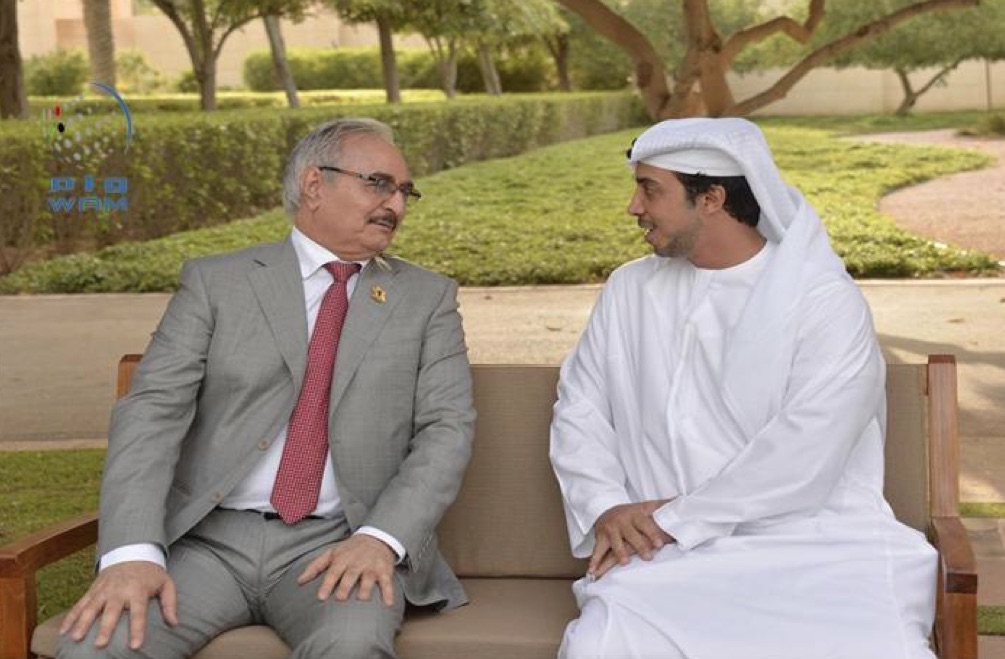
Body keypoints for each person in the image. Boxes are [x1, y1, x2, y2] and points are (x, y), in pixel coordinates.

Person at [59, 117, 475, 659]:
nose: (395, 204)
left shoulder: (426, 298)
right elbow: (150, 416)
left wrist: (380, 538)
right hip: (206, 543)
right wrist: (131, 553)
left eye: (404, 191)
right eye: (378, 183)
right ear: (313, 184)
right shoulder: (218, 284)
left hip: (338, 545)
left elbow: (447, 429)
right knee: (98, 647)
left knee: (351, 646)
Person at [549, 117, 937, 659]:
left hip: (816, 549)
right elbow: (580, 409)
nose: (633, 208)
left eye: (649, 189)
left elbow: (806, 451)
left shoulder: (822, 301)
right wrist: (608, 507)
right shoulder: (629, 290)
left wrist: (672, 519)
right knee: (602, 648)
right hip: (661, 561)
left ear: (710, 197)